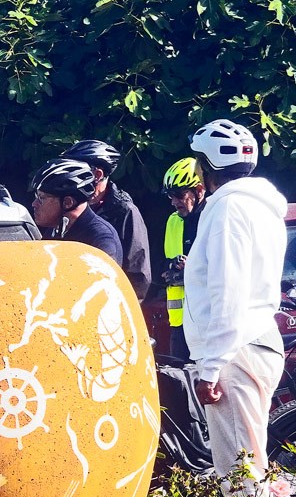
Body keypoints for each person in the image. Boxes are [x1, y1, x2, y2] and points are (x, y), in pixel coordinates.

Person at [183, 121, 286, 480]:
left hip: (235, 350)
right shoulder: (261, 206)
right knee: (248, 469)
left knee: (241, 476)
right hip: (255, 341)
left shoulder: (228, 209)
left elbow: (228, 292)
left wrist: (211, 368)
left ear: (207, 167)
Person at [61, 139, 153, 298]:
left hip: (108, 302)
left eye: (76, 170)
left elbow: (138, 276)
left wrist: (119, 308)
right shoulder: (69, 205)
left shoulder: (125, 211)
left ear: (97, 175)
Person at [30, 158, 124, 263]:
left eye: (41, 198)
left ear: (68, 202)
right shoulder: (58, 229)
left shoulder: (101, 240)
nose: (34, 204)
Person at [160, 156, 206, 358]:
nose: (174, 202)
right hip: (179, 323)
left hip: (207, 322)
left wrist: (193, 268)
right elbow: (155, 265)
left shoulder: (213, 218)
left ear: (199, 190)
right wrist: (171, 268)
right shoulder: (173, 221)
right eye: (170, 196)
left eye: (179, 195)